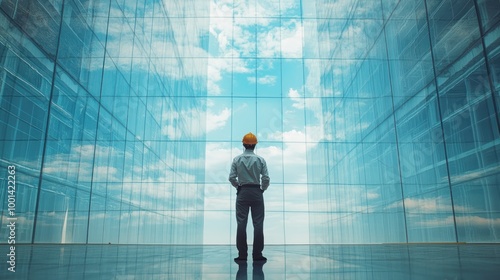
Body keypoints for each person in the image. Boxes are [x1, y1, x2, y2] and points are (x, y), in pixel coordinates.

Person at [229, 132, 270, 263]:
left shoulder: (236, 159)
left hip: (243, 192)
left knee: (241, 223)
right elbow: (266, 178)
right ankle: (257, 254)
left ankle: (242, 255)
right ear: (255, 145)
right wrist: (262, 189)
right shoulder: (260, 160)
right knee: (258, 223)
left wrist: (238, 187)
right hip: (256, 191)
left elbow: (231, 178)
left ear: (243, 144)